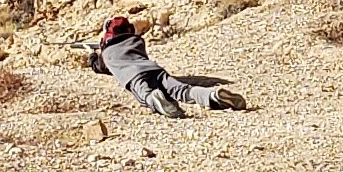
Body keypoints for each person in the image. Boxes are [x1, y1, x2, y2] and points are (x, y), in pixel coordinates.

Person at [85, 15, 241, 117]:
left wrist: (93, 55)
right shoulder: (138, 41)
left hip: (133, 76)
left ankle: (155, 99)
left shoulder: (106, 54)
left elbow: (99, 67)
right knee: (182, 90)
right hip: (154, 69)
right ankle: (211, 95)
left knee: (144, 95)